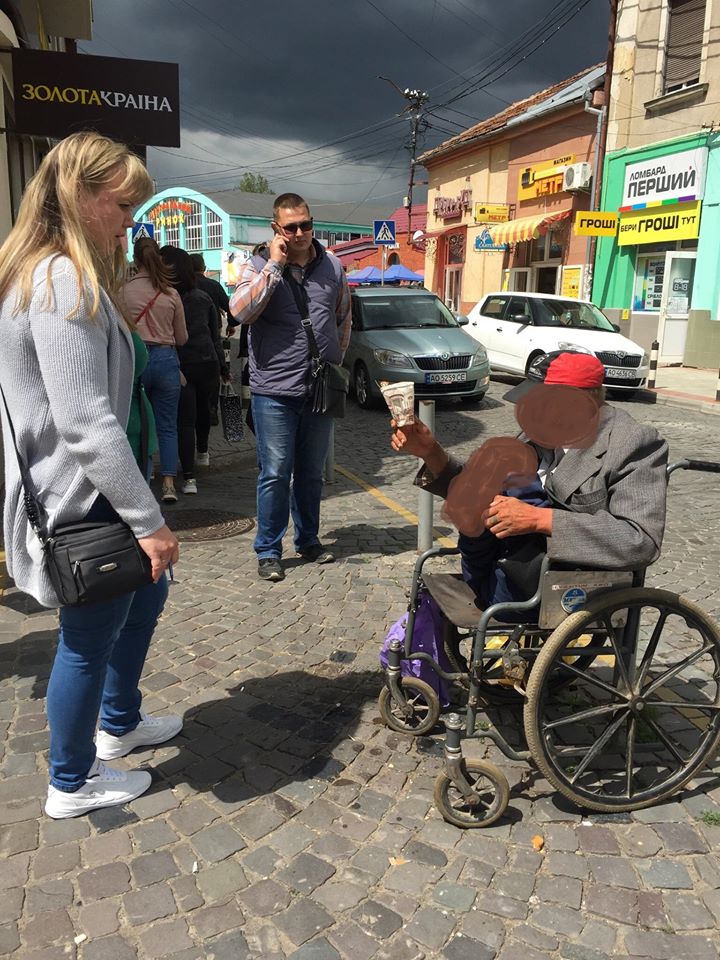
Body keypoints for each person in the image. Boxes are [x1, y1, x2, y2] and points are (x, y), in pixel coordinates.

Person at [0, 131, 182, 819]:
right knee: (86, 640)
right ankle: (70, 783)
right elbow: (84, 423)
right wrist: (149, 521)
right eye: (123, 204)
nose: (130, 221)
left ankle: (119, 721)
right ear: (80, 195)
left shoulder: (59, 273)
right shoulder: (59, 278)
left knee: (144, 601)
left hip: (93, 488)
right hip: (84, 499)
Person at [391, 352, 668, 617]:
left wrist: (539, 519)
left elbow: (640, 540)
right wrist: (430, 452)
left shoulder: (632, 442)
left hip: (566, 583)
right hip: (498, 567)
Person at [229, 193, 351, 582]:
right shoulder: (259, 264)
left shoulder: (332, 265)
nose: (300, 233)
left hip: (318, 388)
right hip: (274, 390)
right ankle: (268, 550)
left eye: (306, 224)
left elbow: (343, 317)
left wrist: (335, 360)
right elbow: (241, 311)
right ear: (276, 229)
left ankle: (309, 540)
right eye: (291, 227)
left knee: (311, 472)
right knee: (276, 472)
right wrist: (276, 267)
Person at [121, 237, 187, 503]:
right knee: (167, 426)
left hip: (136, 360)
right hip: (165, 358)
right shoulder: (171, 293)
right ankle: (169, 483)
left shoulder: (122, 291)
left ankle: (143, 480)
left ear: (135, 260)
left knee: (137, 424)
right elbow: (182, 338)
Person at [160, 245, 229, 491]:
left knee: (185, 420)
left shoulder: (166, 298)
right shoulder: (203, 297)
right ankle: (203, 451)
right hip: (207, 361)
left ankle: (189, 477)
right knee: (203, 412)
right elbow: (215, 335)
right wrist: (223, 365)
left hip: (181, 364)